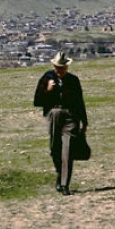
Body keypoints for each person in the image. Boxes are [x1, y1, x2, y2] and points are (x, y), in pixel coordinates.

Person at [33, 51, 88, 195]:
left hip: (71, 116)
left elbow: (79, 101)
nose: (60, 70)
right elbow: (37, 101)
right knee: (55, 148)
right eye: (58, 68)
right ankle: (59, 172)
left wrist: (84, 122)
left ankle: (64, 184)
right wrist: (48, 90)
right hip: (54, 115)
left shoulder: (73, 80)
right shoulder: (47, 78)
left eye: (62, 68)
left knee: (68, 150)